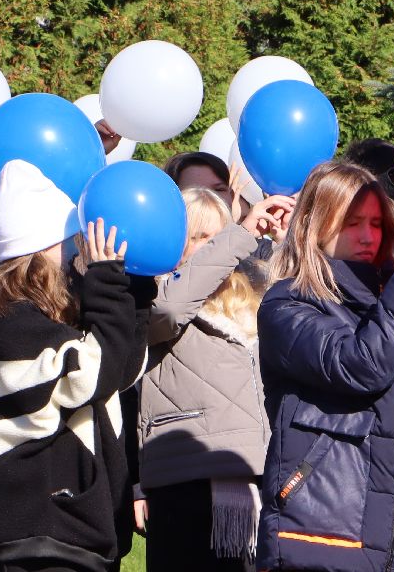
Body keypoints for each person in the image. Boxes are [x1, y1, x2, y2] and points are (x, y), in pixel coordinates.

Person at [256, 160, 394, 570]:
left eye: (376, 223)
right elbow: (361, 366)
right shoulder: (288, 303)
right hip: (322, 535)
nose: (369, 236)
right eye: (352, 223)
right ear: (315, 225)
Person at [0, 160, 153, 572]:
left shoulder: (55, 314)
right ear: (42, 247)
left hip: (74, 528)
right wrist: (105, 283)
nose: (77, 249)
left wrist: (134, 294)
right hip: (39, 526)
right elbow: (88, 375)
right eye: (69, 240)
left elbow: (121, 371)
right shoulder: (11, 317)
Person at [135, 187, 289, 572]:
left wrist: (289, 245)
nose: (210, 247)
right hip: (189, 482)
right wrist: (237, 234)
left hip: (259, 476)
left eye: (215, 236)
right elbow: (169, 310)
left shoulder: (252, 294)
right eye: (198, 237)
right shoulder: (153, 294)